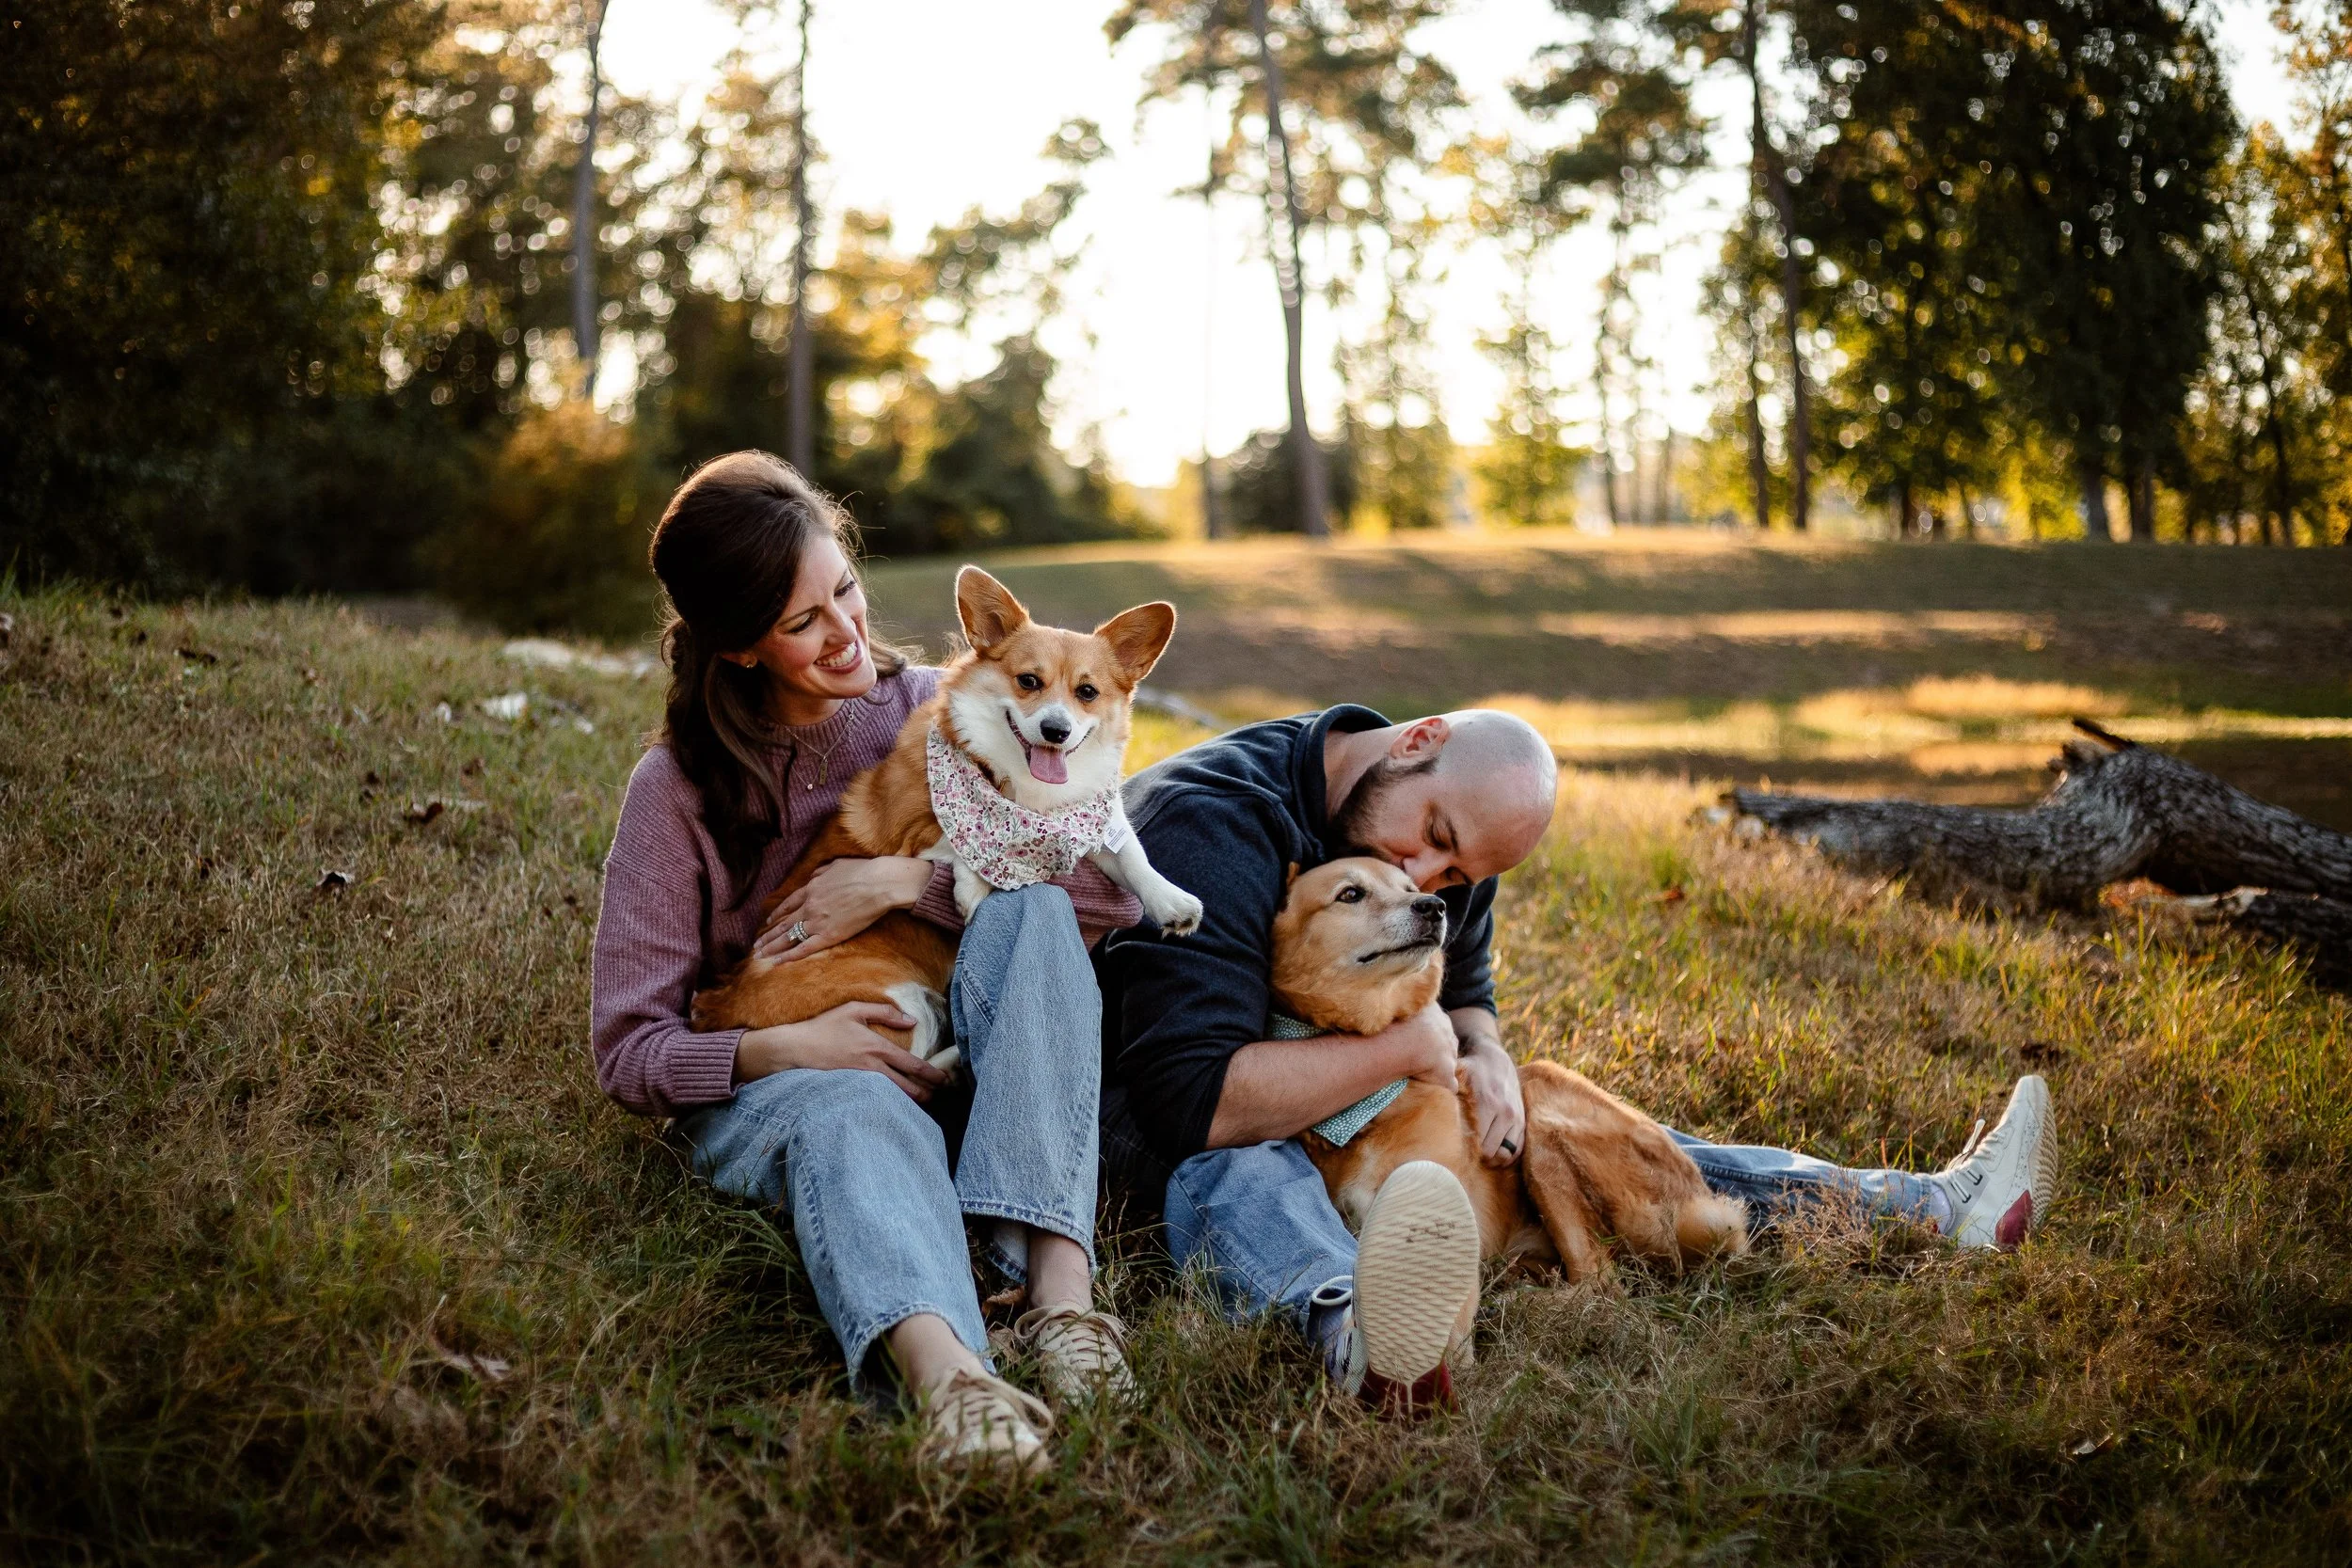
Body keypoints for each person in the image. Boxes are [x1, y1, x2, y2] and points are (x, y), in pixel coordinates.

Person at [1097, 704, 2058, 1410]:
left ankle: (1921, 1206)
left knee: (1565, 1119)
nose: (1431, 883)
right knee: (1238, 1160)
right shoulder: (1214, 824)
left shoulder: (1445, 846)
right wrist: (1411, 1043)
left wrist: (1486, 1057)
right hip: (1143, 1124)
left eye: (1457, 875)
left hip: (1335, 1089)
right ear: (1416, 739)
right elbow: (1195, 1101)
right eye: (1430, 842)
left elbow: (1465, 994)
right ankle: (1355, 1333)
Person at [591, 451, 1139, 1472]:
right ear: (741, 647)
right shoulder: (672, 792)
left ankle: (1062, 1304)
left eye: (843, 586)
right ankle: (954, 1384)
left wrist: (904, 885)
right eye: (802, 623)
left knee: (1031, 917)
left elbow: (1104, 896)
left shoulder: (953, 708)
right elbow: (629, 1051)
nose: (847, 631)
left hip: (959, 1053)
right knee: (851, 1102)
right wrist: (792, 1043)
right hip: (788, 1080)